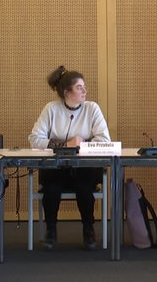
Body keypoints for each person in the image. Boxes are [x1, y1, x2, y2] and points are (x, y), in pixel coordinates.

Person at [28, 65, 111, 250]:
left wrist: (81, 144)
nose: (85, 91)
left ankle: (89, 230)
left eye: (84, 87)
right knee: (51, 189)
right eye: (79, 87)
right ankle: (51, 231)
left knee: (84, 189)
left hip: (84, 167)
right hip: (57, 167)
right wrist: (65, 145)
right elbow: (34, 139)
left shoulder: (92, 108)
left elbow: (104, 139)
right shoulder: (51, 109)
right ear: (67, 92)